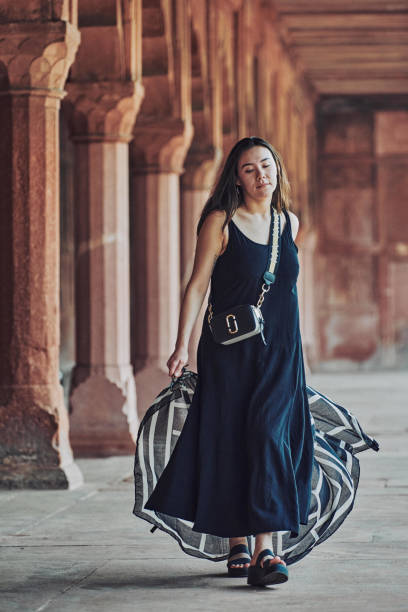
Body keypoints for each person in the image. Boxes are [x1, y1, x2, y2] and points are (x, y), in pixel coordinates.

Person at [144, 136, 313, 586]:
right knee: (234, 438)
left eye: (266, 165)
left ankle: (265, 549)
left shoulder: (288, 224)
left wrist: (303, 359)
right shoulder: (221, 221)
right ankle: (237, 540)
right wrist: (181, 344)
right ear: (235, 178)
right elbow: (197, 286)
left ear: (278, 168)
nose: (261, 176)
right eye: (249, 169)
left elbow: (288, 294)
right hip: (229, 353)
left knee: (268, 437)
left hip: (280, 354)